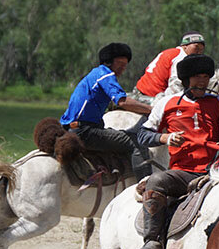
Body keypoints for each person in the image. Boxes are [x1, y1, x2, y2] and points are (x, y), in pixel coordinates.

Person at [137, 55, 219, 249]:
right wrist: (165, 137)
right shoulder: (166, 103)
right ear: (186, 80)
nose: (203, 81)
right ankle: (152, 241)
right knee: (156, 181)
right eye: (197, 77)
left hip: (215, 173)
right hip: (182, 173)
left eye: (206, 76)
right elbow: (143, 135)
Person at [59, 44, 153, 179]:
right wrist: (150, 109)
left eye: (125, 65)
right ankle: (147, 187)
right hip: (85, 131)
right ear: (108, 62)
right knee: (137, 142)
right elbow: (122, 101)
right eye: (120, 63)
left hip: (70, 128)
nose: (123, 68)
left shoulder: (94, 75)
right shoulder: (105, 75)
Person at [135, 32, 207, 97]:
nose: (199, 52)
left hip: (140, 90)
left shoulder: (171, 52)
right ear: (185, 46)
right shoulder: (181, 58)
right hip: (151, 96)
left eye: (201, 49)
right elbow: (175, 87)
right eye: (196, 47)